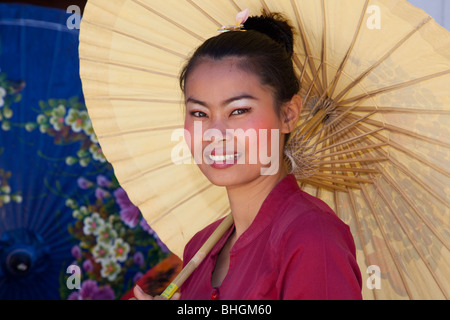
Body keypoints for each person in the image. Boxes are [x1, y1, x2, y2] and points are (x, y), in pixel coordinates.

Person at [134, 10, 362, 300]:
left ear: (289, 114)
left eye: (239, 111)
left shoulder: (312, 237)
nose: (215, 133)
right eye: (199, 113)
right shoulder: (199, 248)